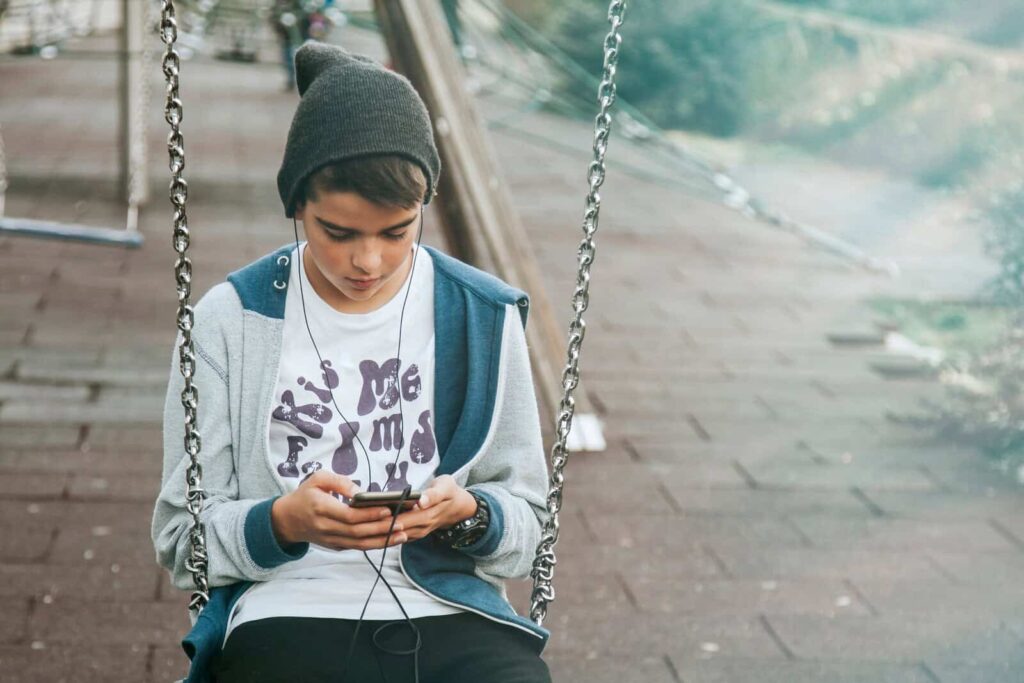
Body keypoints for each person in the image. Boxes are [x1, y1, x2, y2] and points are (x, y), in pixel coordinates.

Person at [151, 42, 552, 683]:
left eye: (397, 231)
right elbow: (181, 541)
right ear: (297, 206)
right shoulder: (228, 323)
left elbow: (531, 527)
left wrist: (469, 513)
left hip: (448, 605)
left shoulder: (483, 316)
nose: (368, 262)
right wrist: (282, 521)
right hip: (285, 603)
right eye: (337, 232)